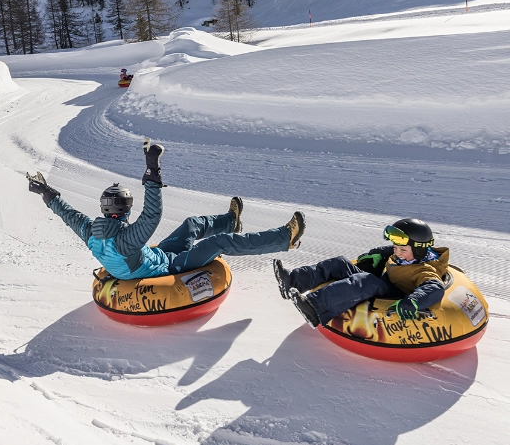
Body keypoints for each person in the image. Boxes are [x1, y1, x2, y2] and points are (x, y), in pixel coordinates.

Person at [27, 139, 306, 280]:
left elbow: (66, 213)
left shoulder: (90, 231)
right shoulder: (126, 240)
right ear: (125, 210)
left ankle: (230, 221)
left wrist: (45, 192)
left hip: (157, 255)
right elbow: (151, 216)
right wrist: (152, 172)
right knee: (217, 243)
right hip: (168, 268)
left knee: (190, 224)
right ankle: (284, 239)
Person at [273, 218, 448, 327]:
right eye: (395, 248)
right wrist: (377, 254)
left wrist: (413, 302)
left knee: (365, 281)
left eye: (402, 250)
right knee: (339, 263)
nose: (396, 253)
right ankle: (292, 281)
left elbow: (434, 287)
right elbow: (389, 250)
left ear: (418, 250)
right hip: (385, 281)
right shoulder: (404, 254)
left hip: (395, 296)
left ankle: (315, 308)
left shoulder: (425, 269)